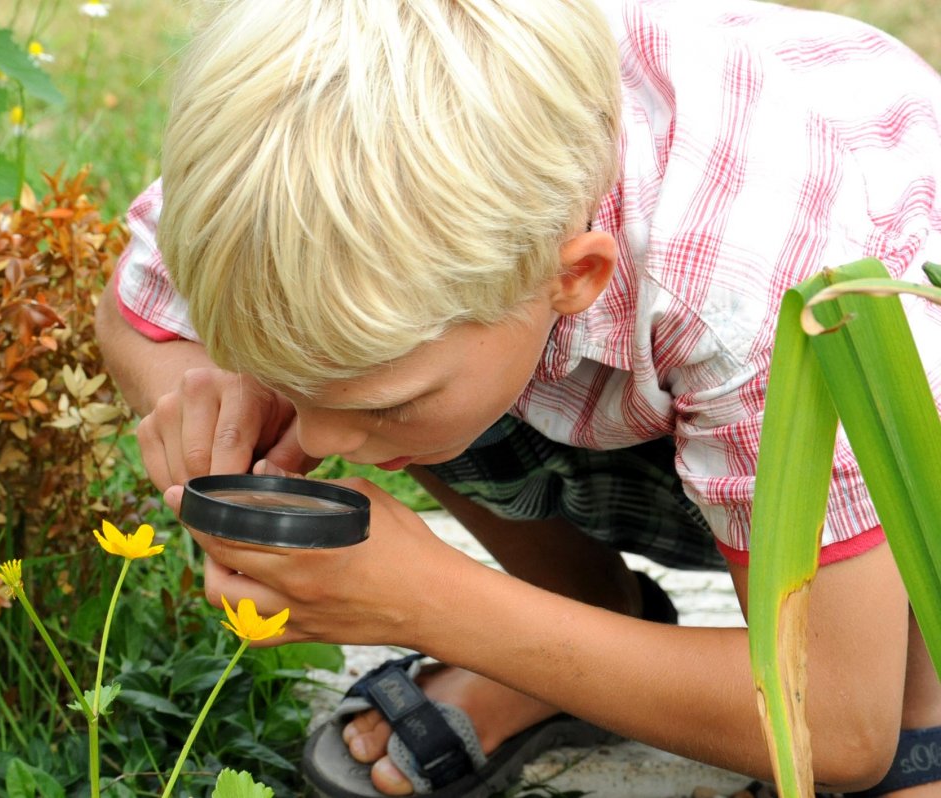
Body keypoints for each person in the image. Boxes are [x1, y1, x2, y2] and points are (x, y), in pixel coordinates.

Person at [95, 0, 941, 795]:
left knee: (886, 692)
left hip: (879, 413)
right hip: (649, 378)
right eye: (297, 395)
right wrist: (217, 393)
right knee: (420, 400)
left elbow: (833, 722)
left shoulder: (756, 284)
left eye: (381, 402)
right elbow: (134, 314)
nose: (317, 439)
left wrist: (435, 604)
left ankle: (927, 715)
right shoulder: (300, 176)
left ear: (574, 274)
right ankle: (579, 619)